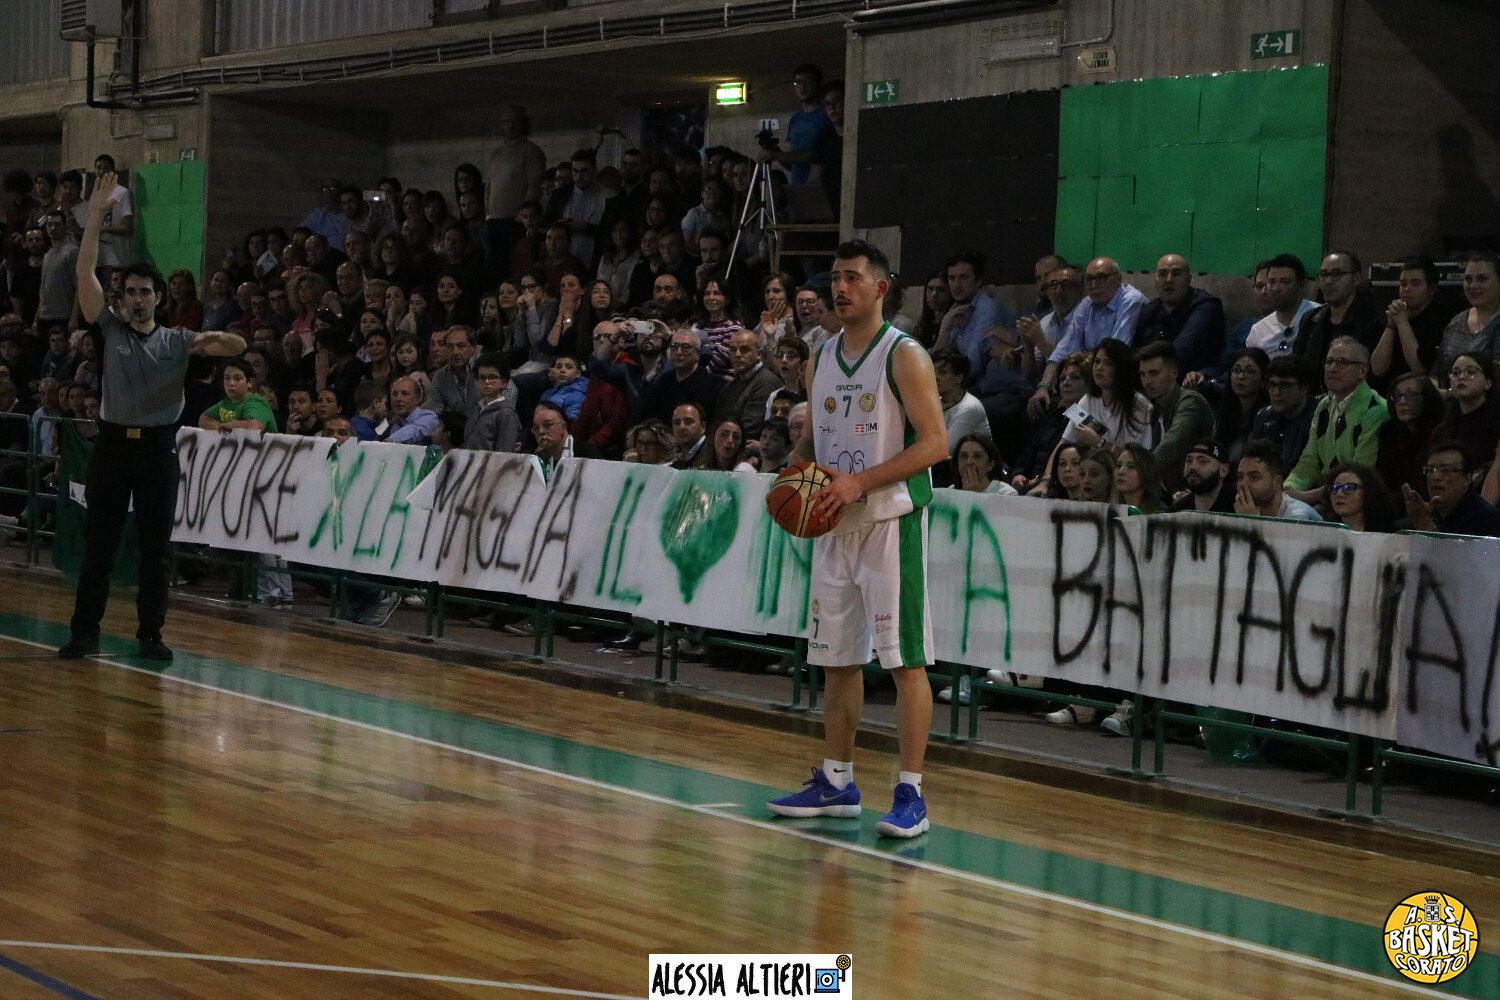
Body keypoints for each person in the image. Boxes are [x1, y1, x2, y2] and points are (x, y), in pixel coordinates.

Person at [767, 240, 947, 839]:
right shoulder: (820, 356)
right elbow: (815, 439)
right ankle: (837, 781)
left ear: (881, 288)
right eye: (834, 277)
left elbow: (935, 445)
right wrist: (792, 473)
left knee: (904, 661)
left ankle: (911, 794)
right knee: (836, 660)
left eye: (852, 277)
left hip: (891, 523)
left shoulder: (904, 355)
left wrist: (860, 482)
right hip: (833, 523)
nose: (839, 288)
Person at [60, 170, 246, 661]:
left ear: (159, 298)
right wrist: (96, 217)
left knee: (155, 548)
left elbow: (237, 346)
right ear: (120, 298)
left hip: (158, 451)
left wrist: (217, 340)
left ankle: (150, 634)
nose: (138, 299)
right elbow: (84, 275)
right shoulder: (111, 329)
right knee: (100, 545)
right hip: (113, 447)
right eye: (131, 292)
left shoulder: (178, 341)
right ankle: (84, 632)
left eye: (146, 292)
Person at [1284, 336, 1389, 500]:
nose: (1332, 368)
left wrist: (1307, 496)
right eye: (1329, 362)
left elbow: (1360, 474)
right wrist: (1288, 489)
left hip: (1358, 499)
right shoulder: (1324, 406)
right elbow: (1309, 461)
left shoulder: (1375, 409)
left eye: (1341, 362)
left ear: (1362, 371)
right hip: (1324, 497)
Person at [1135, 341, 1212, 494]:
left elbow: (1173, 442)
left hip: (1200, 491)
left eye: (1154, 373)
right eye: (1142, 374)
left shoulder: (1190, 401)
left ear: (1173, 374)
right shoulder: (1157, 410)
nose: (1147, 381)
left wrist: (1140, 471)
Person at [1132, 253, 1225, 375]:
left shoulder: (1205, 306)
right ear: (1155, 280)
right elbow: (1131, 350)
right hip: (1151, 377)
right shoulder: (1152, 308)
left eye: (1176, 274)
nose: (1168, 280)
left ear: (1188, 279)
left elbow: (1180, 353)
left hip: (1191, 380)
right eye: (1162, 274)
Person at [1433, 251, 1500, 388]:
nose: (1473, 286)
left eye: (1482, 279)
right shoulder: (1456, 322)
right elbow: (1437, 373)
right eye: (1468, 279)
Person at [1403, 442, 1500, 536]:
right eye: (1430, 470)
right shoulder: (1425, 513)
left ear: (1467, 479)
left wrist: (1425, 526)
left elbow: (1453, 548)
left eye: (1446, 470)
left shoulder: (1488, 519)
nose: (1435, 477)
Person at [1376, 371, 1442, 495]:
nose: (1402, 401)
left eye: (1410, 395)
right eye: (1397, 396)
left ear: (1426, 397)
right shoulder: (1388, 432)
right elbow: (1384, 479)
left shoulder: (1440, 431)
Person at [1234, 440, 1322, 521]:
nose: (1243, 484)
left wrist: (1251, 521)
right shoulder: (1246, 511)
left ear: (1277, 482)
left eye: (1254, 477)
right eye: (1240, 477)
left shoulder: (1298, 516)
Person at [1323, 463, 1398, 533]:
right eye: (1335, 488)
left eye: (1349, 488)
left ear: (1368, 491)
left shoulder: (1386, 532)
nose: (1338, 494)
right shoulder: (1325, 531)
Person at [1169, 440, 1236, 513]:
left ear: (1223, 470)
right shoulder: (1178, 511)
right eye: (1189, 460)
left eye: (1202, 461)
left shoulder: (1238, 505)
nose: (1193, 467)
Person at [1114, 443, 1167, 513]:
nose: (1121, 471)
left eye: (1131, 467)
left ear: (1147, 473)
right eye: (1118, 465)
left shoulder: (1159, 514)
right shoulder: (1112, 511)